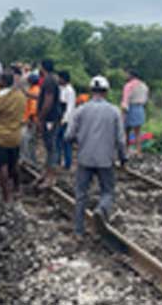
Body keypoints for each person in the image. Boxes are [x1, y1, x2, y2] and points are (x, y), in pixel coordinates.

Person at [66, 75, 127, 236]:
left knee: (81, 195)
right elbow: (121, 139)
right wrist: (123, 157)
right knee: (108, 191)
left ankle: (78, 231)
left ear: (91, 91)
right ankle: (101, 209)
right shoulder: (114, 112)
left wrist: (78, 141)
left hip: (84, 158)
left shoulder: (80, 110)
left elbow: (68, 135)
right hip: (106, 160)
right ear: (106, 92)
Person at [0, 72, 25, 203]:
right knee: (14, 164)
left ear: (2, 82)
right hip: (16, 136)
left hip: (1, 137)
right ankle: (17, 188)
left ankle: (6, 196)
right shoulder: (21, 96)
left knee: (2, 167)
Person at [36, 59, 62, 189]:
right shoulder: (51, 79)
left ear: (42, 67)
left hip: (50, 119)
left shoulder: (49, 81)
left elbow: (48, 100)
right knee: (48, 146)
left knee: (51, 147)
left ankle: (50, 177)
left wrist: (40, 118)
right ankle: (46, 173)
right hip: (50, 118)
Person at [121, 70, 149, 156]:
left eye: (127, 74)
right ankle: (139, 152)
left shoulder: (128, 86)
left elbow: (125, 100)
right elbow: (146, 99)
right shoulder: (144, 86)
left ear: (131, 75)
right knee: (138, 132)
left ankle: (126, 151)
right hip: (140, 109)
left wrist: (123, 114)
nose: (125, 76)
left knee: (126, 132)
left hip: (130, 108)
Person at [56, 70, 77, 170]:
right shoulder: (60, 88)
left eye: (59, 78)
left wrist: (64, 120)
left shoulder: (70, 91)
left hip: (66, 120)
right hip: (59, 118)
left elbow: (70, 107)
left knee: (66, 142)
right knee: (57, 141)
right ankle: (58, 161)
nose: (58, 79)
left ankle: (67, 163)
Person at [21, 73, 41, 164]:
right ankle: (33, 161)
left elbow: (33, 107)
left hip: (32, 119)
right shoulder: (36, 89)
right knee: (32, 141)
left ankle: (27, 160)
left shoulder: (34, 90)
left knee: (25, 140)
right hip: (34, 119)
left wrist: (30, 119)